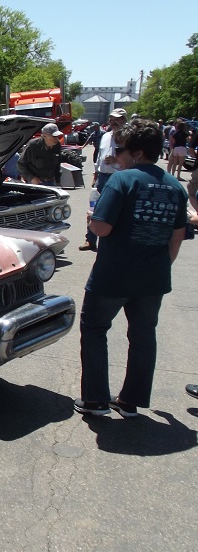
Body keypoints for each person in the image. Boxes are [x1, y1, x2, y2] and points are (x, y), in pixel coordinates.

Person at [74, 119, 188, 418]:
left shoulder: (122, 181)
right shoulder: (175, 186)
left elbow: (102, 228)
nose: (117, 156)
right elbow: (177, 237)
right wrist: (161, 266)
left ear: (136, 153)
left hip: (114, 274)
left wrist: (91, 220)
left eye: (121, 150)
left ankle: (95, 399)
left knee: (94, 328)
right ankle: (130, 401)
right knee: (143, 336)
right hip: (153, 276)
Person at [80, 108, 128, 252]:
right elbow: (100, 157)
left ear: (124, 120)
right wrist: (95, 174)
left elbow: (133, 161)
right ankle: (90, 240)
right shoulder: (106, 136)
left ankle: (112, 243)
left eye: (117, 119)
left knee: (115, 211)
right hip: (102, 177)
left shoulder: (129, 138)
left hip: (119, 177)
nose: (113, 122)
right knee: (94, 209)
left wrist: (116, 161)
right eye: (111, 119)